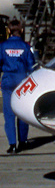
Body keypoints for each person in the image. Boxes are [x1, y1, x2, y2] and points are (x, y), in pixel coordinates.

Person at [1, 20, 35, 153]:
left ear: (9, 31)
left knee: (9, 113)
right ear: (21, 31)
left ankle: (12, 144)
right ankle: (23, 141)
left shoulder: (2, 46)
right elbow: (31, 65)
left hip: (8, 80)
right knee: (21, 112)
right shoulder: (26, 47)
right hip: (22, 81)